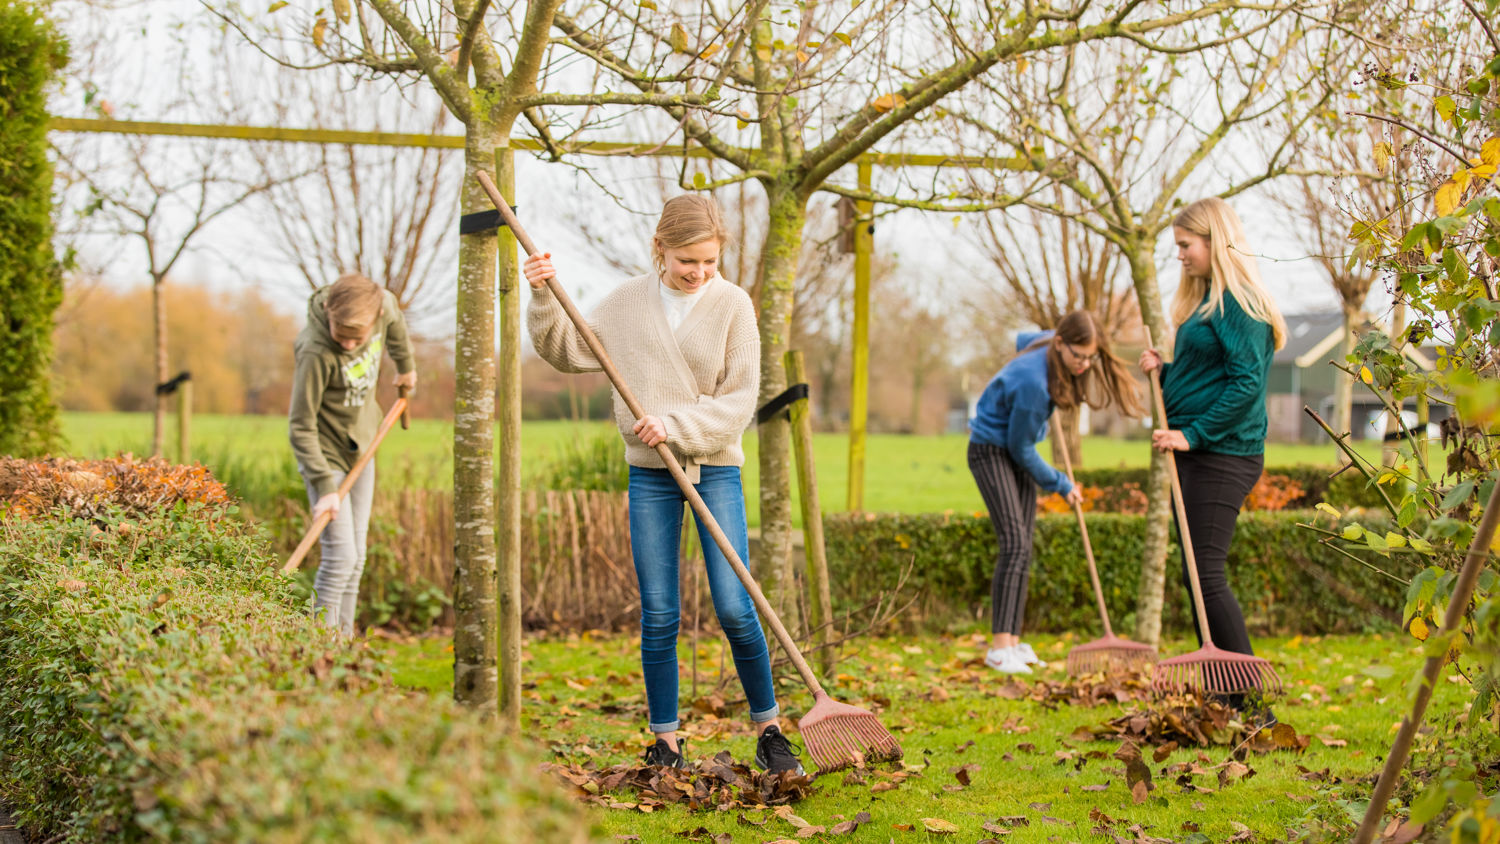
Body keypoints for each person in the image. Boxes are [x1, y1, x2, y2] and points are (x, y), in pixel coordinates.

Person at [523, 195, 803, 776]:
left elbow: (739, 400)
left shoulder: (733, 305)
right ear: (661, 249)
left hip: (715, 467)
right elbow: (568, 351)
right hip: (650, 474)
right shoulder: (627, 302)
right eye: (686, 261)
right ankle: (667, 744)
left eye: (709, 261)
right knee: (658, 612)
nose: (699, 273)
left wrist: (674, 424)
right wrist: (544, 294)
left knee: (735, 606)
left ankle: (769, 731)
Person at [1139, 196, 1286, 721]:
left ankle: (1255, 705)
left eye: (1186, 245)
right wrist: (1165, 369)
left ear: (1214, 240)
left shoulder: (1240, 305)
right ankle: (1228, 696)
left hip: (1223, 454)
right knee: (1196, 576)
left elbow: (1246, 385)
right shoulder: (1207, 303)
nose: (1179, 255)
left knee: (1206, 575)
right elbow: (1209, 375)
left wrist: (1193, 435)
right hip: (1200, 452)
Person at [969, 310, 1143, 675]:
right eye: (1078, 356)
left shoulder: (1049, 343)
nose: (1083, 365)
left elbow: (1023, 340)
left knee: (1024, 544)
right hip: (990, 450)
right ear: (1060, 344)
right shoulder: (1033, 385)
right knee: (1014, 543)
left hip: (1011, 449)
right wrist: (1061, 484)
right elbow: (1021, 449)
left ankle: (1013, 642)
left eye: (1089, 358)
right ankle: (999, 648)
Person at [288, 273, 417, 637]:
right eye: (340, 334)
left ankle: (343, 647)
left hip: (363, 444)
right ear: (329, 313)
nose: (347, 344)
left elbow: (396, 326)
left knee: (356, 558)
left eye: (356, 339)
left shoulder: (384, 304)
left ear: (375, 318)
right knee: (340, 557)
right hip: (325, 453)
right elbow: (300, 426)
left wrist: (406, 368)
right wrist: (324, 486)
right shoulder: (314, 350)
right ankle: (319, 648)